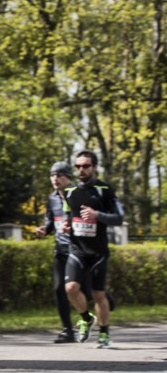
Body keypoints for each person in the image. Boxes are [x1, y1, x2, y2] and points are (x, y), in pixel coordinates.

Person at [62, 149, 123, 348]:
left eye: (86, 166)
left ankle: (104, 333)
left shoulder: (105, 190)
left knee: (98, 294)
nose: (81, 170)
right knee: (70, 288)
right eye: (78, 166)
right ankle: (86, 318)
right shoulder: (69, 191)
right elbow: (68, 215)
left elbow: (119, 218)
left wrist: (98, 215)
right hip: (77, 249)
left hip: (98, 252)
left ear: (94, 167)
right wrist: (66, 225)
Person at [35, 161, 77, 343]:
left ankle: (103, 296)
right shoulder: (52, 199)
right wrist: (44, 229)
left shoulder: (79, 195)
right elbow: (51, 223)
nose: (55, 179)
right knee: (59, 288)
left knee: (86, 291)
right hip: (61, 250)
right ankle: (67, 330)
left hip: (80, 250)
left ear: (68, 177)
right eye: (53, 175)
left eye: (59, 175)